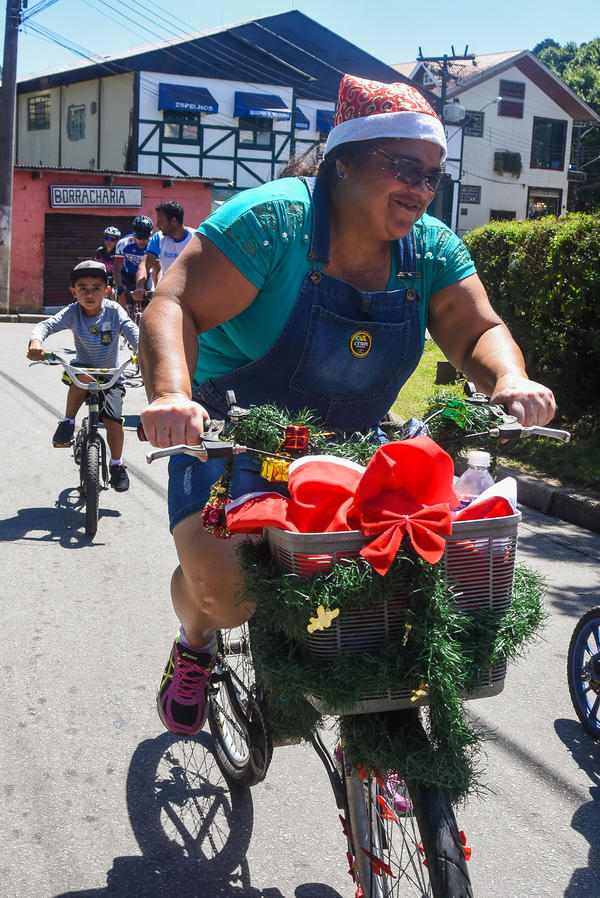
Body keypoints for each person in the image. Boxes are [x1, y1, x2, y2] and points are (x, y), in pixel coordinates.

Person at [138, 73, 557, 737]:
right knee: (228, 592)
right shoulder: (274, 223)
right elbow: (174, 302)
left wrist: (506, 378)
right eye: (404, 168)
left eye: (432, 175)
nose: (421, 188)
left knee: (416, 565)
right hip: (232, 426)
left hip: (350, 440)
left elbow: (476, 329)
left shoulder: (432, 252)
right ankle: (195, 641)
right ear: (343, 162)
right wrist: (170, 395)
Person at [27, 260, 139, 492]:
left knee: (113, 422)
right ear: (74, 292)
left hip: (111, 375)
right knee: (81, 374)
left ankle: (117, 465)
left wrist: (145, 351)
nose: (89, 294)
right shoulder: (73, 312)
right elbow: (46, 325)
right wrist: (36, 341)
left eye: (96, 287)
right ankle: (68, 422)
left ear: (107, 291)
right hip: (83, 373)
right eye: (83, 288)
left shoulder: (114, 311)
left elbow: (133, 332)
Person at [133, 201, 194, 299]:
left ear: (173, 221)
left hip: (193, 292)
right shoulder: (158, 238)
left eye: (160, 221)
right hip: (170, 292)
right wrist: (139, 287)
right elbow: (144, 265)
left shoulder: (196, 238)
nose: (156, 224)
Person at [113, 215, 154, 313]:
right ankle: (124, 316)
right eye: (139, 237)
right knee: (122, 294)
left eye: (146, 237)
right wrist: (119, 286)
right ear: (133, 234)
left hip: (145, 276)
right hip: (127, 275)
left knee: (148, 303)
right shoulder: (123, 243)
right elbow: (117, 268)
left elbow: (159, 269)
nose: (142, 241)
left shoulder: (153, 244)